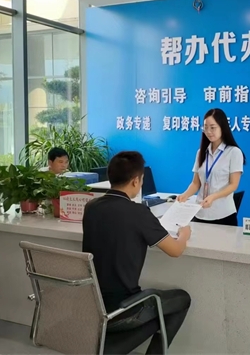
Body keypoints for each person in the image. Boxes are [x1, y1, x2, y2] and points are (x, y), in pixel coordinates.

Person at [82, 151, 192, 355]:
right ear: (135, 181)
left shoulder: (91, 207)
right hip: (123, 309)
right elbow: (175, 250)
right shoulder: (138, 213)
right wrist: (184, 234)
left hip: (91, 306)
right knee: (181, 299)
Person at [177, 108, 245, 226]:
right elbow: (196, 183)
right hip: (200, 212)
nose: (208, 131)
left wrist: (213, 196)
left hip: (223, 215)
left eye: (213, 127)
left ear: (222, 127)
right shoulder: (201, 152)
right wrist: (184, 195)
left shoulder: (234, 152)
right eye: (205, 127)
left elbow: (233, 185)